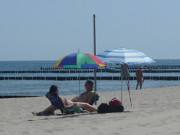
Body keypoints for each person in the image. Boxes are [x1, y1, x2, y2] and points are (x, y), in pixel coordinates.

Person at [32, 80, 96, 115]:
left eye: (86, 84)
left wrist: (77, 105)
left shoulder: (91, 92)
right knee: (54, 106)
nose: (84, 85)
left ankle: (41, 112)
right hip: (71, 103)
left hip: (75, 104)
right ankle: (41, 112)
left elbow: (88, 104)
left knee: (53, 106)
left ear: (90, 86)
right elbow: (65, 107)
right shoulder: (87, 92)